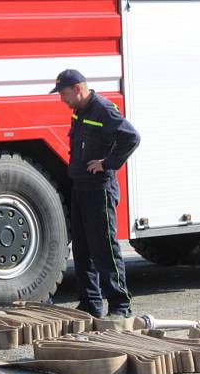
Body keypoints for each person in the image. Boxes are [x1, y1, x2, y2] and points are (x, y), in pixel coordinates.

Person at [50, 69, 140, 319]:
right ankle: (90, 304)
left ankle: (120, 305)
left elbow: (131, 137)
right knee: (82, 249)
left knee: (104, 248)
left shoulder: (103, 109)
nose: (62, 100)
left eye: (64, 94)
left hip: (99, 189)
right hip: (81, 187)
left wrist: (107, 163)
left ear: (78, 89)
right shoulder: (80, 111)